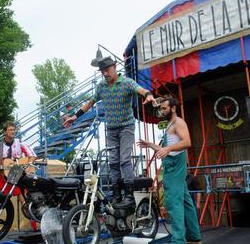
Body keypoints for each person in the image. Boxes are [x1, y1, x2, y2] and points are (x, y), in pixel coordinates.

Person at [63, 56, 156, 208]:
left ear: (115, 67)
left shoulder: (126, 82)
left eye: (107, 70)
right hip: (111, 128)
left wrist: (149, 95)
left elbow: (140, 89)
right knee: (113, 161)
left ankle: (129, 195)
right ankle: (117, 194)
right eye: (102, 71)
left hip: (126, 126)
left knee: (125, 159)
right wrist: (75, 116)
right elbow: (90, 102)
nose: (105, 74)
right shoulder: (101, 86)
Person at [137, 97, 201, 244]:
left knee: (173, 203)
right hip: (174, 164)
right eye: (162, 108)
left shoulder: (178, 122)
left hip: (174, 167)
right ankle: (194, 235)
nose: (162, 110)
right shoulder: (171, 124)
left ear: (173, 108)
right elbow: (167, 149)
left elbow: (187, 142)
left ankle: (178, 240)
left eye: (165, 108)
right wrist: (150, 145)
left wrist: (169, 148)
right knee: (185, 202)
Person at [0, 121, 38, 231]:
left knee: (24, 202)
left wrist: (28, 165)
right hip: (3, 177)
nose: (13, 132)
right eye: (10, 130)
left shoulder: (20, 143)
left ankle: (35, 227)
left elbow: (32, 156)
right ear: (5, 132)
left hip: (18, 175)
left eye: (13, 130)